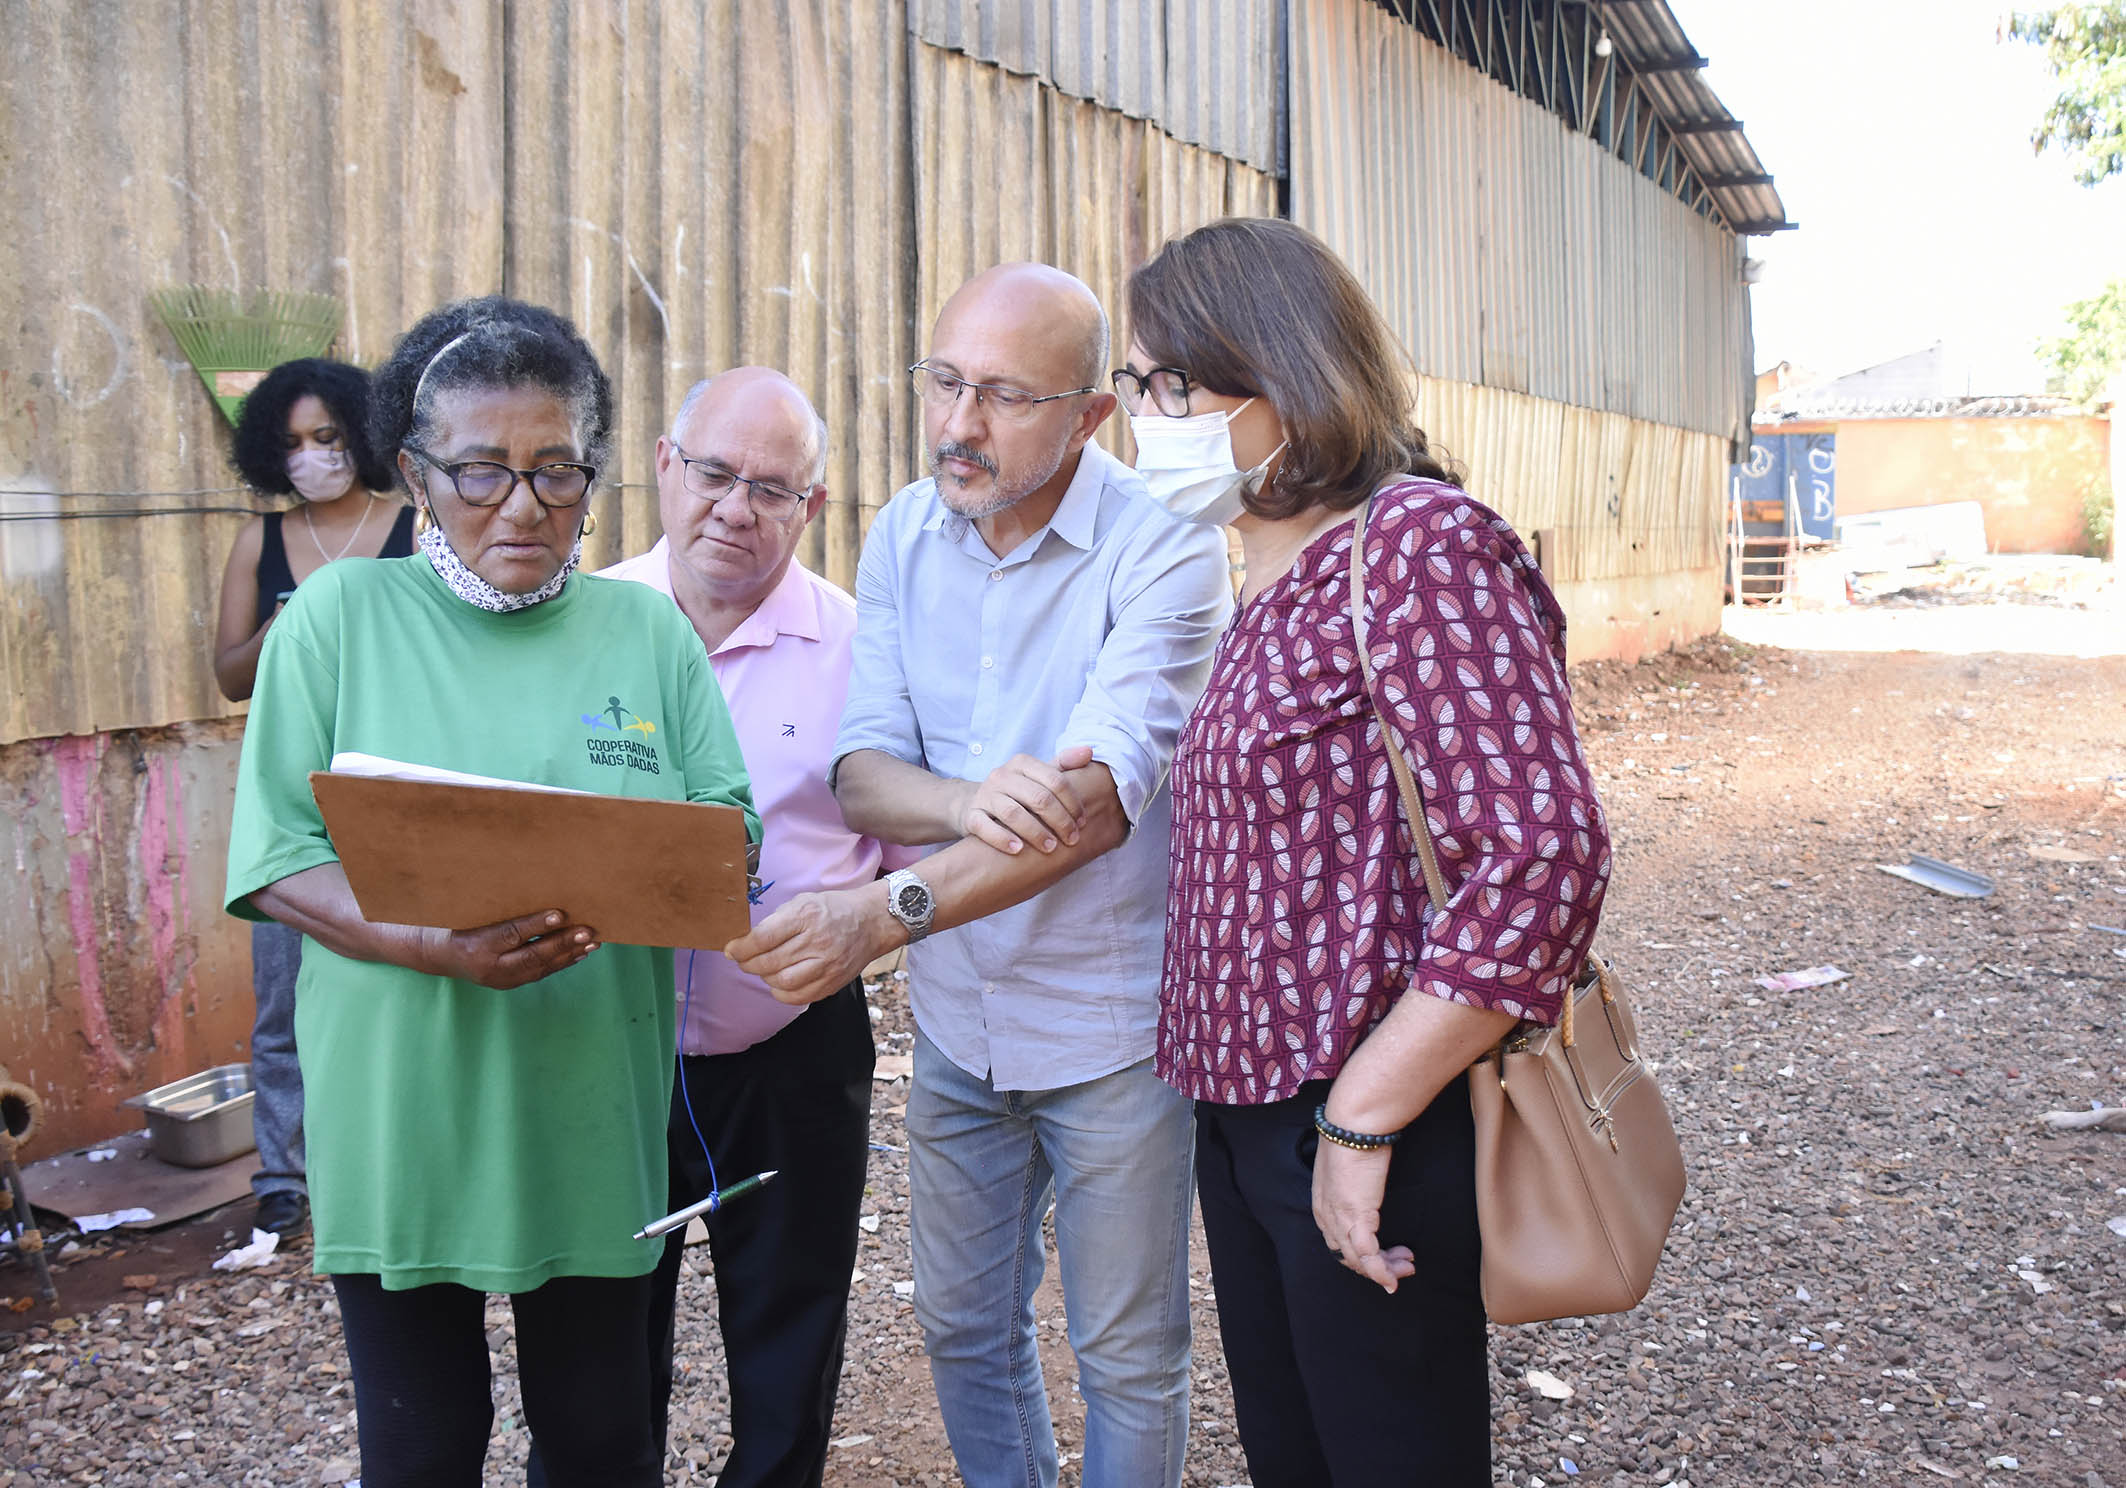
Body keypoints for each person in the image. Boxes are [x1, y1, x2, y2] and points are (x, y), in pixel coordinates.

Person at [223, 296, 759, 1488]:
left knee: (601, 1442)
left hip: (587, 1113)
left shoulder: (646, 634)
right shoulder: (338, 621)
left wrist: (671, 859)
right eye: (480, 472)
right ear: (414, 472)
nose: (522, 506)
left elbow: (728, 828)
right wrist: (428, 942)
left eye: (555, 472)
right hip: (403, 1112)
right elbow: (275, 857)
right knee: (420, 1449)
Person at [1119, 217, 1613, 1485]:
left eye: (1167, 385)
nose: (1144, 418)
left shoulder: (1414, 549)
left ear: (1275, 377)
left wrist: (1359, 1119)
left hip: (1359, 1110)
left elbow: (1540, 859)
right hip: (1247, 1116)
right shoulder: (1272, 580)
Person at [726, 263, 1234, 1488]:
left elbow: (1094, 809)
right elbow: (860, 774)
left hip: (1107, 1024)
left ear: (1090, 415)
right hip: (961, 1020)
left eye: (1003, 396)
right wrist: (962, 797)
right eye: (944, 382)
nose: (959, 424)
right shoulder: (905, 528)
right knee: (962, 1327)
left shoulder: (1166, 550)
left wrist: (884, 911)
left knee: (1125, 1353)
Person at [600, 367, 914, 1487]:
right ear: (662, 465)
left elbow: (917, 867)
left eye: (771, 490)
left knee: (789, 1329)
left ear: (812, 508)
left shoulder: (864, 648)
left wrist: (868, 927)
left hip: (790, 1046)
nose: (735, 508)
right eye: (715, 473)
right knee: (598, 1332)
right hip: (606, 1049)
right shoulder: (579, 626)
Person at [213, 357, 412, 1239]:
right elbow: (226, 676)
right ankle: (284, 1179)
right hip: (295, 801)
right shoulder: (259, 543)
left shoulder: (413, 526)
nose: (311, 457)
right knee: (283, 995)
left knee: (403, 977)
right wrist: (285, 624)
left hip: (400, 796)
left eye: (327, 437)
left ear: (362, 437)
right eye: (291, 443)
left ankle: (394, 1150)